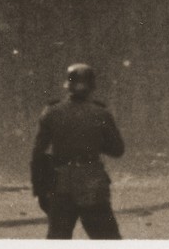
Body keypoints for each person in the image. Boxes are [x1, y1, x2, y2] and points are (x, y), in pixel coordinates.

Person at [30, 63, 125, 240]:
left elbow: (37, 154)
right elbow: (118, 149)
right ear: (92, 86)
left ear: (68, 85)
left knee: (58, 237)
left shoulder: (51, 112)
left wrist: (40, 190)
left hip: (61, 184)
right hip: (92, 183)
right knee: (107, 238)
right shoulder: (101, 113)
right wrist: (94, 142)